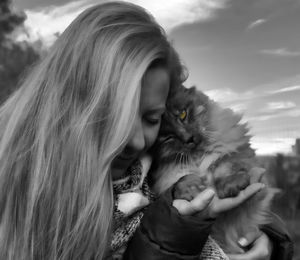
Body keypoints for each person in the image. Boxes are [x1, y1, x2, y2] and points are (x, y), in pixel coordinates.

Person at [0, 2, 292, 260]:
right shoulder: (16, 188)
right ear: (71, 105)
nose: (137, 140)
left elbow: (236, 178)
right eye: (118, 117)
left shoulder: (151, 169)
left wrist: (268, 240)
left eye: (152, 119)